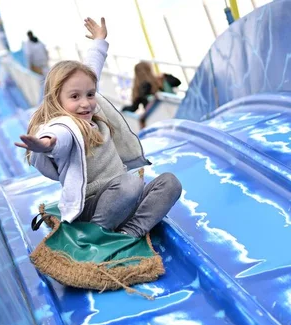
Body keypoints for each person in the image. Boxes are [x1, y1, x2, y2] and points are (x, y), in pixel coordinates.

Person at [15, 17, 182, 238]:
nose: (85, 102)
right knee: (130, 184)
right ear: (57, 99)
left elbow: (91, 71)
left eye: (90, 94)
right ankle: (96, 233)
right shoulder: (66, 125)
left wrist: (99, 42)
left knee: (170, 183)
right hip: (91, 206)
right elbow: (59, 137)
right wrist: (46, 144)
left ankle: (130, 233)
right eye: (75, 97)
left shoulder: (94, 112)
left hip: (123, 198)